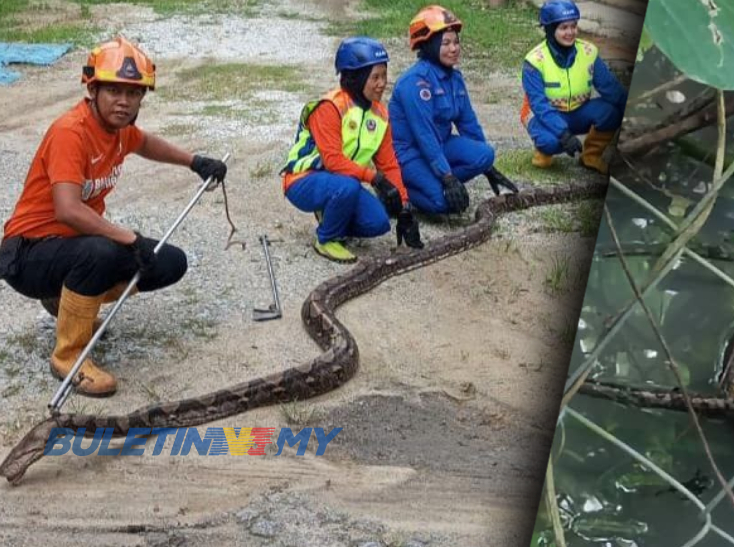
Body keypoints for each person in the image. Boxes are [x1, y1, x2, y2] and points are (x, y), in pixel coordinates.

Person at [0, 36, 228, 397]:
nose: (124, 102)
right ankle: (69, 356)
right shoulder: (70, 132)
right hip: (27, 252)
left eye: (134, 93)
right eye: (114, 91)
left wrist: (195, 162)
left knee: (168, 262)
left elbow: (145, 142)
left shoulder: (119, 130)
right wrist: (127, 237)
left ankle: (68, 301)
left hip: (71, 246)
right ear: (94, 90)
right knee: (102, 253)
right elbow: (68, 209)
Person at [282, 36, 423, 264]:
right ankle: (326, 239)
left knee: (378, 222)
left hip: (340, 183)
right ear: (356, 78)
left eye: (384, 75)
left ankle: (331, 214)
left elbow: (389, 164)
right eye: (375, 77)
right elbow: (333, 161)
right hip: (303, 180)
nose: (382, 83)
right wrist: (373, 178)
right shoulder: (330, 107)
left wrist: (404, 207)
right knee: (347, 186)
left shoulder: (380, 115)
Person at [388, 5, 518, 216]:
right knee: (443, 204)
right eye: (446, 43)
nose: (454, 48)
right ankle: (399, 189)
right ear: (429, 44)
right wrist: (447, 178)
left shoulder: (454, 78)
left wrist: (488, 169)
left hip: (441, 144)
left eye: (456, 41)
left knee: (485, 154)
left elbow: (468, 123)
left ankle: (435, 181)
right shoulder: (414, 83)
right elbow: (424, 135)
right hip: (411, 154)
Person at [520, 0, 628, 175]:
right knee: (552, 142)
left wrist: (629, 109)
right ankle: (543, 151)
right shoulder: (534, 61)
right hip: (542, 115)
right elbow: (539, 105)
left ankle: (590, 156)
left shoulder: (588, 52)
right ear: (550, 29)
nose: (570, 32)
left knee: (611, 112)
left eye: (573, 26)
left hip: (578, 111)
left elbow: (610, 87)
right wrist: (564, 134)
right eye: (563, 27)